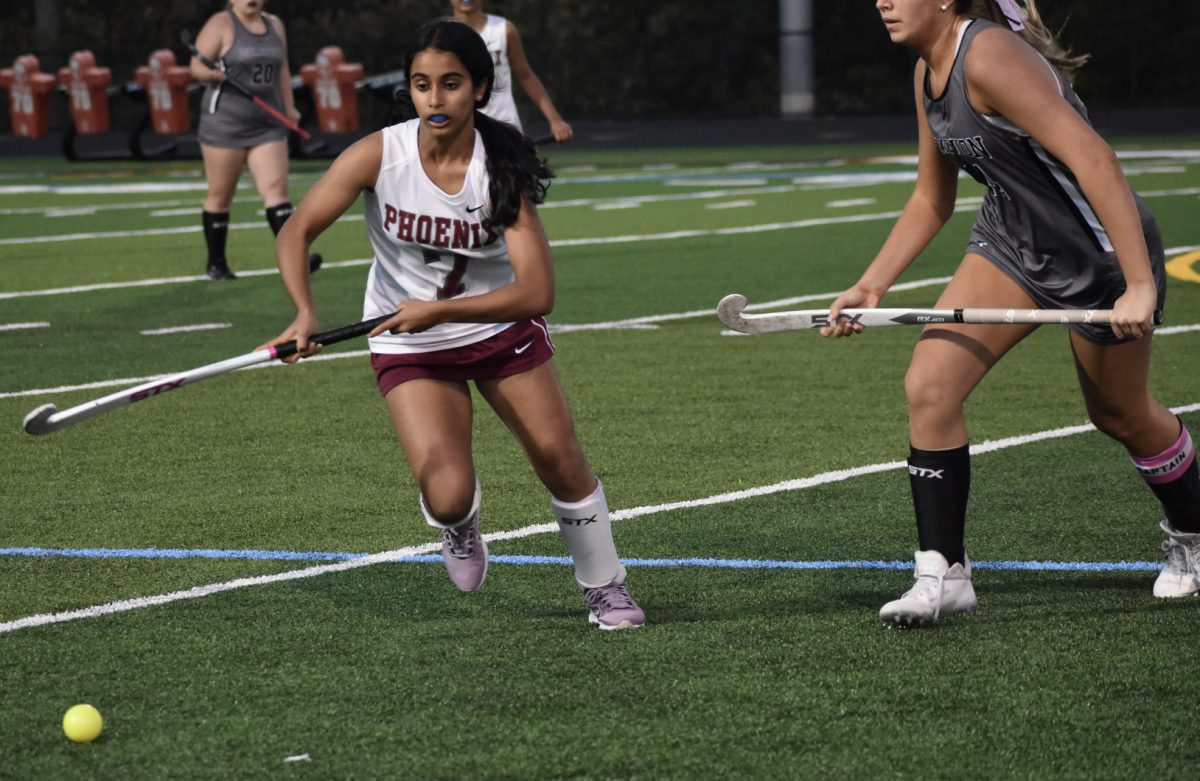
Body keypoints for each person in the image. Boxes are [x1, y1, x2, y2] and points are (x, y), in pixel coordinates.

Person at [821, 0, 1199, 628]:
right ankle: (943, 573)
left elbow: (1096, 159)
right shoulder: (925, 71)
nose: (882, 1)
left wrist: (1137, 284)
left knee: (1119, 413)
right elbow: (930, 197)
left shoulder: (990, 54)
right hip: (1011, 245)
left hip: (1096, 253)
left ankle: (1192, 529)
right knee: (930, 383)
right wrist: (871, 285)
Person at [261, 18, 644, 630]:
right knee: (446, 495)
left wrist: (438, 310)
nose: (435, 100)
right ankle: (460, 520)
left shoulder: (500, 166)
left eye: (451, 84)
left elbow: (538, 291)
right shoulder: (379, 154)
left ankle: (606, 587)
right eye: (421, 84)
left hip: (498, 335)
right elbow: (296, 230)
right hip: (409, 347)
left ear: (480, 88)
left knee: (559, 458)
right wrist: (303, 312)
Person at [190, 0, 321, 280]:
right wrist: (211, 73)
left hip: (267, 123)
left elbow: (282, 70)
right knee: (221, 195)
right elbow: (195, 67)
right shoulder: (221, 24)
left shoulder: (275, 25)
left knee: (276, 192)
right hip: (224, 124)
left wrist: (289, 107)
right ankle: (217, 264)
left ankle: (296, 258)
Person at [447, 0, 573, 142]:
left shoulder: (504, 30)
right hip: (461, 129)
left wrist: (555, 120)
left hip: (505, 126)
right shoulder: (442, 36)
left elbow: (525, 75)